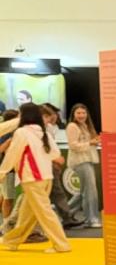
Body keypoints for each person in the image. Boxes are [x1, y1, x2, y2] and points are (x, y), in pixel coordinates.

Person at [0, 103, 70, 252]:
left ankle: (61, 244)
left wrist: (2, 172)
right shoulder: (43, 132)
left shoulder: (22, 132)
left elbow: (12, 154)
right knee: (27, 214)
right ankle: (11, 241)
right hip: (46, 177)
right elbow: (55, 154)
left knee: (44, 212)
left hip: (32, 178)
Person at [39, 103, 81, 227]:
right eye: (48, 115)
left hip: (51, 165)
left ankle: (66, 217)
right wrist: (54, 159)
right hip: (44, 166)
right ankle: (11, 223)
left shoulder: (51, 128)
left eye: (54, 114)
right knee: (52, 194)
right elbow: (42, 149)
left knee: (56, 193)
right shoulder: (38, 130)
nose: (53, 117)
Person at [66, 103, 101, 228]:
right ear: (73, 114)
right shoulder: (72, 126)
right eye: (78, 113)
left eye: (83, 113)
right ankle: (91, 219)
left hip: (87, 160)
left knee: (85, 191)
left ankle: (64, 213)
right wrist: (90, 142)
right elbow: (73, 145)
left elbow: (86, 143)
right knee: (90, 191)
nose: (81, 115)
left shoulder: (85, 126)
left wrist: (95, 141)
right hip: (80, 161)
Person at [0, 109, 18, 224]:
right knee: (9, 198)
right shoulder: (8, 134)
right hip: (7, 169)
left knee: (4, 195)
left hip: (6, 168)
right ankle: (6, 224)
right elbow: (3, 150)